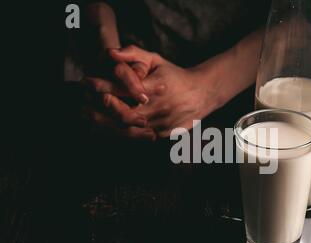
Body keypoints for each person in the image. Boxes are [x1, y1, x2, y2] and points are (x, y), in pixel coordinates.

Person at [67, 1, 271, 140]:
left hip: (248, 101)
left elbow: (298, 19)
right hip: (105, 74)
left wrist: (207, 87)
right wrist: (109, 54)